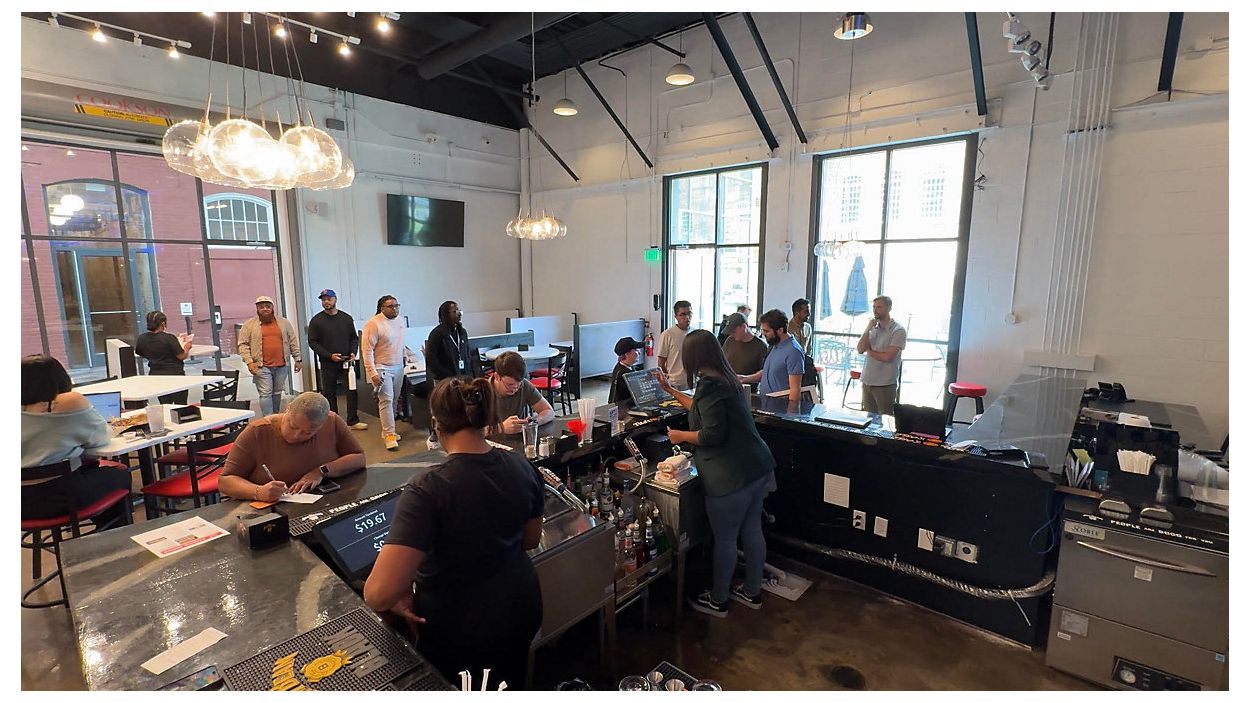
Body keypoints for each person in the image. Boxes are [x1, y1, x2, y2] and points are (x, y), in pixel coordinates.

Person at [364, 376, 543, 689]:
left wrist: (401, 592)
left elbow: (378, 593)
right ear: (487, 418)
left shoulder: (428, 489)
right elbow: (530, 540)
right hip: (521, 607)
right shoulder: (521, 465)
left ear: (436, 423)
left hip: (462, 628)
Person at [653, 330, 776, 618]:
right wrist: (670, 390)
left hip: (731, 476)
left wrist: (680, 435)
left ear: (693, 356)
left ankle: (718, 600)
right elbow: (700, 408)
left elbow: (711, 435)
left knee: (725, 539)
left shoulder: (710, 385)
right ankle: (752, 592)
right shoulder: (727, 378)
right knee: (752, 530)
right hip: (757, 467)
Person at [21, 355, 131, 527]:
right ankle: (113, 533)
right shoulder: (67, 401)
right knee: (120, 475)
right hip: (62, 497)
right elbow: (101, 437)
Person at [218, 391, 366, 502]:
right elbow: (225, 481)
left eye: (308, 433)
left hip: (322, 502)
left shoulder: (332, 422)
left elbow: (359, 457)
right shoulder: (257, 432)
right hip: (269, 509)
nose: (296, 435)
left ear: (321, 426)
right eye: (293, 426)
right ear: (287, 409)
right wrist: (258, 492)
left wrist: (321, 471)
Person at [307, 288, 367, 431]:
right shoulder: (316, 321)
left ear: (335, 300)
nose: (326, 302)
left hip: (347, 362)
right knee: (329, 392)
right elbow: (313, 342)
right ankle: (333, 422)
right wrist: (329, 355)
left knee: (351, 390)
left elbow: (353, 338)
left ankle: (353, 420)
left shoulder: (346, 318)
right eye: (323, 300)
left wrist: (353, 352)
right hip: (328, 362)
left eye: (329, 299)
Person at [238, 296, 302, 416]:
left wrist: (298, 359)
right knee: (265, 393)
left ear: (272, 308)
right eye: (261, 307)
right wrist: (249, 362)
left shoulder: (284, 323)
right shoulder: (249, 325)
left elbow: (292, 341)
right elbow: (243, 344)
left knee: (277, 393)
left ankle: (275, 416)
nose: (265, 309)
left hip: (282, 365)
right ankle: (267, 419)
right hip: (261, 366)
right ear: (257, 309)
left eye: (268, 306)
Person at [425, 300, 474, 449]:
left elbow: (467, 354)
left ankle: (460, 435)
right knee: (442, 409)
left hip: (462, 378)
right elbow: (432, 360)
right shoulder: (437, 334)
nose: (458, 313)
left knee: (461, 408)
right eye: (454, 311)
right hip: (444, 379)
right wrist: (446, 377)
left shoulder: (461, 332)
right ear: (445, 315)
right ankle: (436, 435)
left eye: (458, 310)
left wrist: (469, 375)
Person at [362, 295, 406, 451]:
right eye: (390, 306)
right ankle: (389, 435)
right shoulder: (373, 324)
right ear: (382, 308)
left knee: (394, 400)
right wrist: (372, 373)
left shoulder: (400, 320)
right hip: (381, 367)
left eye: (396, 305)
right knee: (386, 400)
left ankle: (388, 430)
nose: (394, 309)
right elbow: (367, 350)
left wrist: (405, 355)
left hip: (398, 366)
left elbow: (400, 342)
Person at [737, 309, 805, 403]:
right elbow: (768, 372)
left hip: (780, 407)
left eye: (767, 331)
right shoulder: (774, 344)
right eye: (762, 330)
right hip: (766, 404)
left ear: (780, 330)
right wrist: (745, 378)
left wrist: (791, 411)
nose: (763, 334)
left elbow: (795, 389)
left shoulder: (794, 351)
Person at [856, 295, 907, 416]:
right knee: (869, 418)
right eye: (874, 307)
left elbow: (888, 357)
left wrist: (870, 352)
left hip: (885, 383)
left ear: (889, 308)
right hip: (867, 380)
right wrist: (867, 329)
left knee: (885, 418)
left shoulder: (898, 330)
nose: (875, 310)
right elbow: (860, 349)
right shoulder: (873, 328)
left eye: (879, 307)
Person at [134, 310, 193, 404]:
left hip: (156, 375)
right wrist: (187, 348)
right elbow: (181, 356)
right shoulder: (169, 338)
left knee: (165, 404)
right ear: (163, 323)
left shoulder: (142, 338)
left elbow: (140, 352)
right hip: (175, 375)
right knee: (180, 405)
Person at [489, 351, 555, 435]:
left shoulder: (524, 385)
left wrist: (533, 422)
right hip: (489, 441)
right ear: (497, 377)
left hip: (519, 439)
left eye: (518, 384)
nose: (515, 389)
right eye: (510, 384)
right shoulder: (481, 391)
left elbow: (549, 411)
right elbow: (473, 432)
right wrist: (501, 428)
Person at [657, 300, 693, 390]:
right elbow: (661, 362)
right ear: (676, 317)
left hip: (693, 381)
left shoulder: (695, 333)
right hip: (675, 383)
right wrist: (668, 378)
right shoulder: (668, 334)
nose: (687, 317)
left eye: (689, 313)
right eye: (682, 314)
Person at [720, 313, 767, 377]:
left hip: (747, 383)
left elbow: (764, 373)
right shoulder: (729, 340)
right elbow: (722, 362)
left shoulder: (760, 346)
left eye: (734, 331)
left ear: (744, 326)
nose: (731, 334)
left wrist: (746, 379)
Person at [608, 336, 645, 405]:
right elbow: (639, 393)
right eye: (636, 350)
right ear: (627, 353)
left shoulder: (623, 366)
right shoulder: (624, 373)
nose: (639, 352)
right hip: (623, 407)